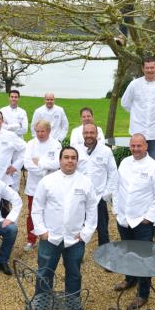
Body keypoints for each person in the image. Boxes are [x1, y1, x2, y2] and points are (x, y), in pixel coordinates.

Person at [32, 147, 98, 296]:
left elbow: (92, 210)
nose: (70, 160)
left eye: (73, 158)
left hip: (75, 239)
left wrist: (85, 233)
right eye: (66, 157)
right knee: (44, 272)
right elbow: (37, 208)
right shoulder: (47, 181)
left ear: (77, 161)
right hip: (50, 237)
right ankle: (40, 302)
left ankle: (73, 303)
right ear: (60, 160)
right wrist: (41, 231)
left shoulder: (85, 182)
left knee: (74, 273)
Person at [113, 134, 155, 310]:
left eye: (139, 146)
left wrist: (148, 218)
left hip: (142, 221)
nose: (136, 149)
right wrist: (116, 210)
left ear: (146, 146)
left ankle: (143, 293)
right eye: (133, 145)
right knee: (128, 251)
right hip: (124, 218)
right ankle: (130, 279)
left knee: (145, 257)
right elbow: (117, 187)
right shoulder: (124, 162)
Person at [121, 58, 155, 160]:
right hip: (138, 129)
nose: (149, 70)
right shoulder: (134, 85)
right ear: (143, 68)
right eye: (147, 68)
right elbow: (125, 103)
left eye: (152, 67)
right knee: (136, 158)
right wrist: (135, 113)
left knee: (152, 159)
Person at [23, 119, 61, 251]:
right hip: (34, 185)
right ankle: (31, 239)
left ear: (49, 131)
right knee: (32, 213)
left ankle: (49, 236)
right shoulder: (30, 144)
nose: (39, 134)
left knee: (50, 211)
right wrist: (45, 169)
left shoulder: (56, 144)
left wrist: (39, 163)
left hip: (52, 185)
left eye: (42, 131)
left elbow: (57, 163)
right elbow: (27, 163)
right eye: (37, 131)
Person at [77, 123, 118, 246]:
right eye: (86, 133)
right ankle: (78, 253)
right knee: (78, 227)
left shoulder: (106, 151)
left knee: (102, 229)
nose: (89, 135)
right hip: (80, 196)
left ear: (97, 134)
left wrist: (105, 195)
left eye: (92, 132)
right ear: (82, 134)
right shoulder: (76, 150)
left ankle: (104, 253)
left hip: (99, 197)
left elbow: (113, 174)